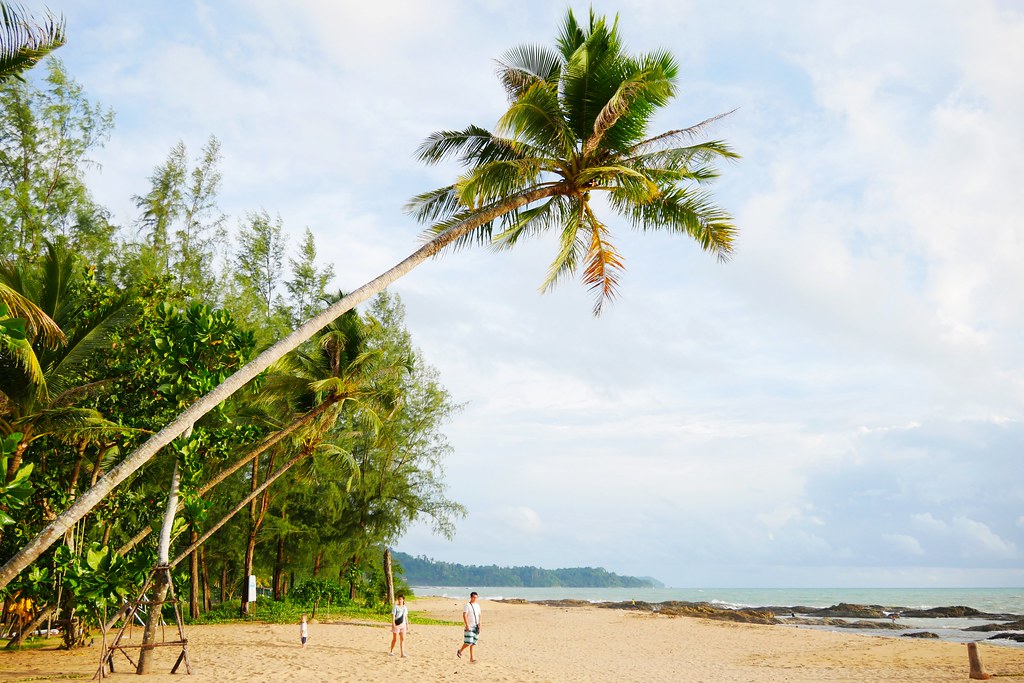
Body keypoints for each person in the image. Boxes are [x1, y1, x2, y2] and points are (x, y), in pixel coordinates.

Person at [456, 591, 481, 662]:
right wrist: (467, 625)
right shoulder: (467, 605)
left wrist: (480, 624)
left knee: (473, 643)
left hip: (476, 626)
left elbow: (479, 616)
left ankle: (472, 658)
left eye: (476, 597)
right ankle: (460, 651)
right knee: (468, 642)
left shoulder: (478, 606)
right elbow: (464, 615)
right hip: (470, 626)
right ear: (471, 597)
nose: (475, 599)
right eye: (473, 597)